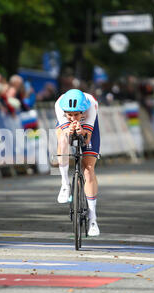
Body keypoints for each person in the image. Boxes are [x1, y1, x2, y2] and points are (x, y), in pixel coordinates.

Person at [55, 88, 100, 236]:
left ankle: (93, 219)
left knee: (88, 168)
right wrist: (70, 131)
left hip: (87, 124)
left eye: (76, 114)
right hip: (66, 128)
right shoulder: (59, 105)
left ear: (82, 111)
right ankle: (65, 184)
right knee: (62, 140)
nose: (73, 117)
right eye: (70, 115)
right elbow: (66, 136)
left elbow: (87, 139)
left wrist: (81, 131)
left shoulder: (91, 105)